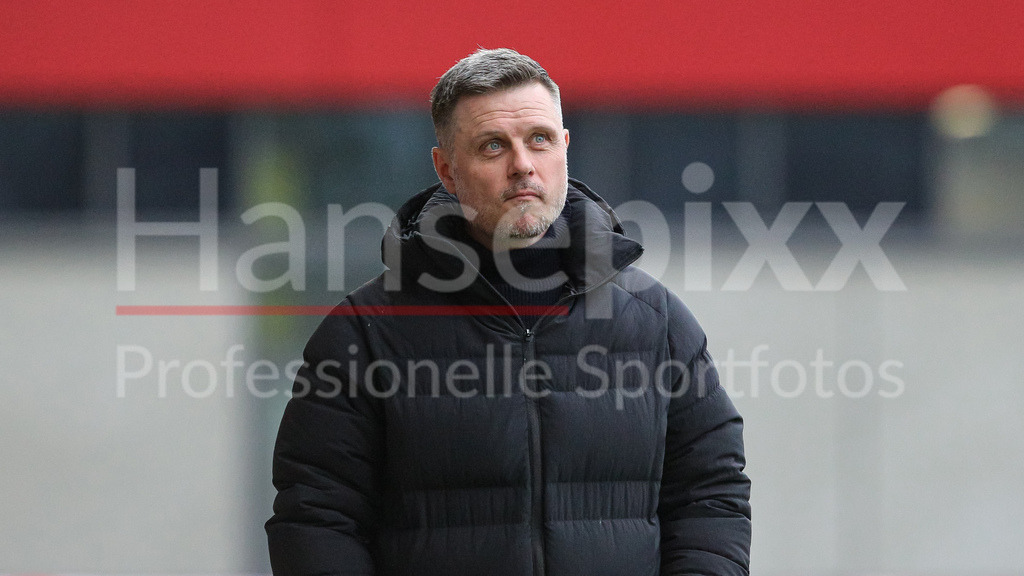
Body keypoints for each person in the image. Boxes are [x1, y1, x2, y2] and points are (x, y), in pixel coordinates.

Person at [266, 48, 751, 575]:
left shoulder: (656, 324)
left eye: (539, 139)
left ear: (565, 148)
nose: (522, 164)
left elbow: (711, 494)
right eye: (493, 145)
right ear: (446, 170)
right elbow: (316, 518)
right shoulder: (363, 334)